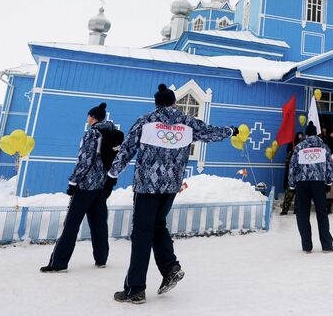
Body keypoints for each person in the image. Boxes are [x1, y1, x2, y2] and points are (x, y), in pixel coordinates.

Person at [106, 84, 236, 304]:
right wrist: (232, 131)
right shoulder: (187, 123)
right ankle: (170, 268)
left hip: (147, 187)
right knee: (158, 226)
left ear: (157, 103)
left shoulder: (145, 121)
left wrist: (112, 174)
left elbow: (127, 149)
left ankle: (135, 289)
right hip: (170, 188)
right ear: (174, 102)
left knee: (142, 234)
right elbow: (210, 133)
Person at [40, 102, 115, 272]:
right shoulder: (111, 133)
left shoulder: (93, 134)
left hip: (86, 185)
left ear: (93, 117)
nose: (87, 119)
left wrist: (73, 182)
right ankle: (101, 258)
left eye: (89, 116)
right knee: (99, 224)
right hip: (101, 185)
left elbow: (85, 161)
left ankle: (58, 263)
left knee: (71, 224)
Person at [288, 122, 333, 252]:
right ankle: (327, 245)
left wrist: (292, 185)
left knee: (302, 214)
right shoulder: (324, 147)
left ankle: (307, 246)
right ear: (316, 134)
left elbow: (292, 167)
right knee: (322, 214)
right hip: (319, 183)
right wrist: (329, 182)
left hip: (301, 184)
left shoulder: (299, 147)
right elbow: (330, 167)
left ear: (306, 134)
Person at [280, 132, 304, 215]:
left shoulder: (304, 153)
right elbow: (288, 163)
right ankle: (285, 209)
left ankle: (297, 210)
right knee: (289, 195)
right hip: (292, 178)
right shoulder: (292, 153)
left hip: (300, 177)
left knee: (299, 196)